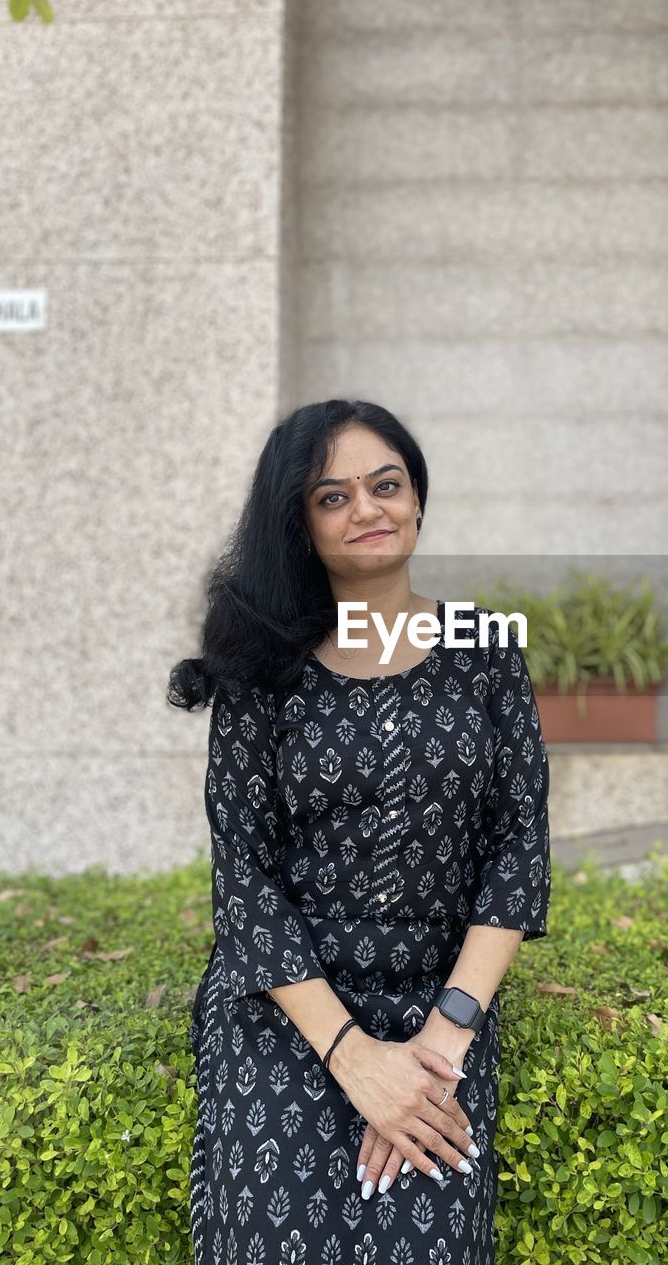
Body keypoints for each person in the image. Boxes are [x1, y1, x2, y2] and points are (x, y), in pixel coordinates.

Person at [168, 397, 551, 1264]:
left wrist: (439, 1045)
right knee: (274, 1238)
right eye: (332, 496)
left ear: (417, 496)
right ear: (300, 525)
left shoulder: (486, 651)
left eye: (386, 484)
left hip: (440, 998)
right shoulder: (261, 670)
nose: (368, 508)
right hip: (286, 1002)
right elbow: (245, 880)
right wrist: (352, 1057)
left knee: (425, 1230)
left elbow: (516, 852)